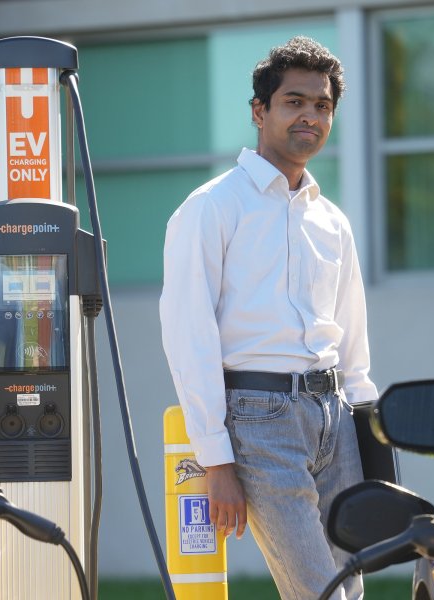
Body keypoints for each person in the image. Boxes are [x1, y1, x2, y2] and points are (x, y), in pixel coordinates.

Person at [159, 36, 377, 600]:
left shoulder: (333, 222)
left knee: (350, 590)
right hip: (259, 417)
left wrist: (367, 427)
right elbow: (189, 335)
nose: (310, 116)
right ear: (260, 112)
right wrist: (216, 460)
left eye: (322, 106)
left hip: (336, 417)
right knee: (318, 591)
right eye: (294, 101)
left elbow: (352, 336)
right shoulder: (212, 207)